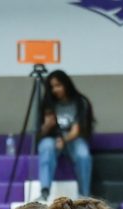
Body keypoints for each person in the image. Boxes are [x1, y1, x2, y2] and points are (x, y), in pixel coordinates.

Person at [38, 70, 96, 200]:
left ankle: (83, 195)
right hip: (53, 139)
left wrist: (64, 140)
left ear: (66, 84)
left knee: (83, 154)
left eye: (58, 85)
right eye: (52, 87)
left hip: (73, 139)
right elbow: (40, 134)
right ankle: (45, 191)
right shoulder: (47, 103)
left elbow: (77, 130)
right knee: (45, 147)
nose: (55, 90)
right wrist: (47, 125)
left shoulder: (80, 102)